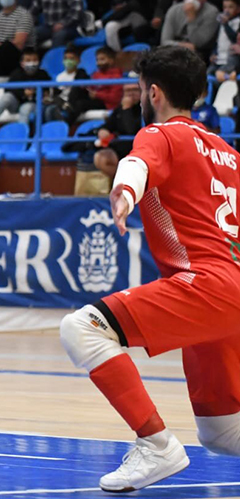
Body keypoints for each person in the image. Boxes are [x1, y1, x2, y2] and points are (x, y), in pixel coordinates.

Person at [60, 45, 240, 492]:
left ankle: (155, 445)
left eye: (139, 90)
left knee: (81, 328)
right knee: (221, 433)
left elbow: (136, 163)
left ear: (153, 93)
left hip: (206, 283)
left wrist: (123, 190)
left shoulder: (162, 134)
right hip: (230, 290)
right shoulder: (230, 154)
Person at [0, 49, 48, 125]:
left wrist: (39, 94)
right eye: (28, 60)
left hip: (34, 104)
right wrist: (23, 93)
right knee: (7, 97)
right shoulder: (16, 73)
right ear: (22, 63)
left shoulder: (43, 74)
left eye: (35, 60)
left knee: (26, 108)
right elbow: (8, 89)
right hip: (16, 104)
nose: (32, 63)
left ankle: (22, 134)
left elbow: (49, 90)